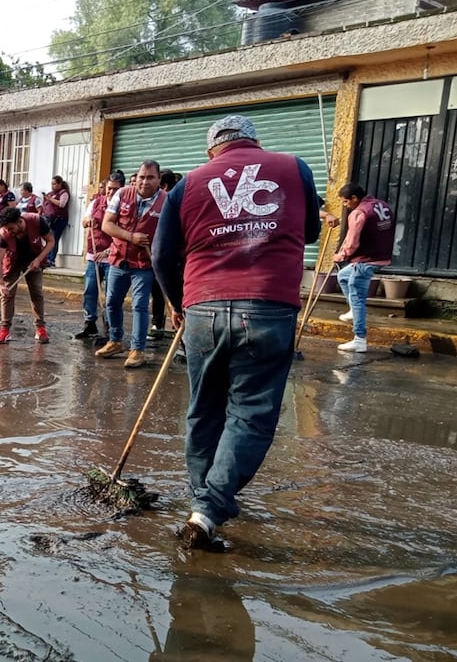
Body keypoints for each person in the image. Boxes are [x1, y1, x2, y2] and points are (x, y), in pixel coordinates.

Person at [152, 114, 321, 550]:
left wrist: (178, 305)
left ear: (213, 150)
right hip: (266, 307)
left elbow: (161, 255)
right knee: (250, 414)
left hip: (203, 309)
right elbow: (313, 231)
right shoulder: (293, 167)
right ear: (253, 142)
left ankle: (203, 502)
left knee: (203, 409)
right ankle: (208, 507)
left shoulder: (187, 184)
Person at [96, 160, 166, 369]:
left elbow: (172, 233)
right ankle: (115, 341)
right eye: (142, 177)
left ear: (159, 179)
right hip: (118, 259)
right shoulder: (122, 194)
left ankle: (137, 349)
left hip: (143, 264)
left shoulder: (166, 201)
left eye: (150, 177)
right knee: (112, 302)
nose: (145, 181)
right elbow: (107, 224)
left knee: (139, 306)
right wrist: (131, 237)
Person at [330, 183, 396, 353]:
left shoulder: (359, 212)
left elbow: (352, 242)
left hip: (366, 259)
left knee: (357, 296)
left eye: (346, 202)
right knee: (343, 276)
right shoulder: (382, 205)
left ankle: (359, 338)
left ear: (354, 198)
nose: (345, 205)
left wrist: (341, 255)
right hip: (381, 255)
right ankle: (353, 310)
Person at [0, 207, 54, 344]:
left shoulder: (37, 221)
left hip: (34, 258)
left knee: (37, 292)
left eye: (11, 228)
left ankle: (40, 328)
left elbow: (51, 241)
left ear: (20, 222)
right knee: (7, 293)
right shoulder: (3, 234)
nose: (9, 231)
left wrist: (39, 259)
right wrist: (0, 283)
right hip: (12, 260)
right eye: (6, 229)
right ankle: (4, 330)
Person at [75, 173, 122, 339]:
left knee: (111, 295)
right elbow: (83, 221)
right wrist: (87, 220)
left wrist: (107, 252)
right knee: (90, 291)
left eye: (115, 189)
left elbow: (123, 234)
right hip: (93, 256)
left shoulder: (124, 207)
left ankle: (110, 329)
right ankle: (90, 324)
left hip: (112, 257)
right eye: (109, 188)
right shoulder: (96, 202)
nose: (111, 192)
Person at [41, 175, 71, 267]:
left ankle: (51, 259)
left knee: (54, 238)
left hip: (59, 219)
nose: (52, 186)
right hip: (49, 219)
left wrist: (50, 199)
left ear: (60, 184)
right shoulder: (50, 193)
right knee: (48, 238)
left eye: (54, 184)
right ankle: (46, 258)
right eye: (52, 184)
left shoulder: (64, 193)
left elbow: (62, 204)